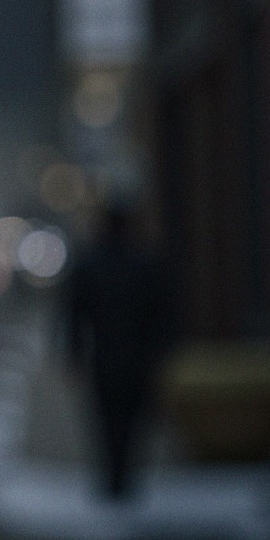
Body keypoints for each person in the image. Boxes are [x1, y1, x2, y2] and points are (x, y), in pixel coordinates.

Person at [64, 203, 171, 500]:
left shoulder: (90, 265)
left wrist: (74, 355)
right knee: (133, 421)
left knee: (108, 420)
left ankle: (113, 478)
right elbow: (160, 316)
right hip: (137, 357)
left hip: (105, 355)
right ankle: (125, 477)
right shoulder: (143, 264)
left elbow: (75, 316)